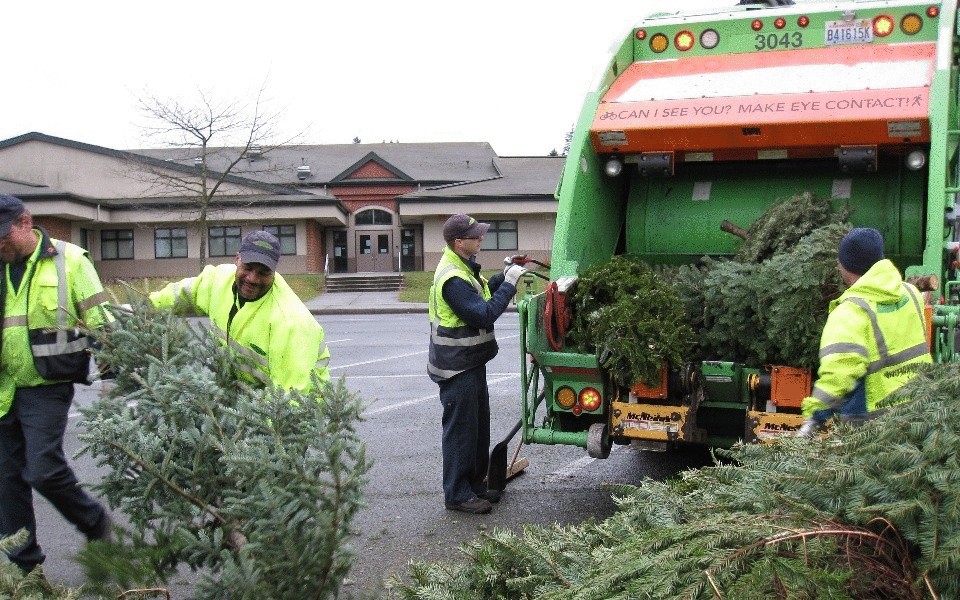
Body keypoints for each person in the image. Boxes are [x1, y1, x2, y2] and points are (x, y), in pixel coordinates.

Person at [0, 194, 114, 573]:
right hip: (3, 388)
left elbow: (100, 319)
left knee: (43, 469)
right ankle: (25, 572)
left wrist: (113, 376)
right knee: (6, 485)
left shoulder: (69, 260)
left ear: (25, 223)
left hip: (48, 383)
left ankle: (94, 523)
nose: (0, 245)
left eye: (3, 236)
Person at [428, 213, 528, 514]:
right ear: (460, 243)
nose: (481, 238)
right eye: (476, 236)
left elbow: (483, 293)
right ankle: (457, 495)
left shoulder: (464, 268)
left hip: (470, 362)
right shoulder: (453, 278)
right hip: (456, 367)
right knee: (461, 432)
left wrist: (505, 274)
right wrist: (509, 286)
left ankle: (475, 485)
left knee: (478, 428)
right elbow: (483, 314)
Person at [150, 230, 330, 392]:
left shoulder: (291, 323)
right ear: (237, 259)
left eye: (263, 272)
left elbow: (289, 398)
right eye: (248, 267)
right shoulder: (219, 279)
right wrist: (144, 307)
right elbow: (185, 292)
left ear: (274, 272)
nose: (252, 278)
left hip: (293, 406)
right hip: (246, 390)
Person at [798, 227, 932, 436]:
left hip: (873, 423)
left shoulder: (850, 313)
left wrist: (815, 415)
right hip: (920, 409)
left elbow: (839, 373)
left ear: (847, 265)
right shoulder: (911, 293)